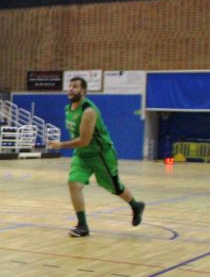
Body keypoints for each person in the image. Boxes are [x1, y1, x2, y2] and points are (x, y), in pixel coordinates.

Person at [49, 77, 146, 237]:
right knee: (74, 184)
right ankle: (82, 225)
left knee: (114, 187)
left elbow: (84, 140)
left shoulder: (89, 111)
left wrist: (62, 145)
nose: (71, 89)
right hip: (82, 155)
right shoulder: (68, 109)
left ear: (83, 91)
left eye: (75, 87)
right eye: (70, 86)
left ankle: (136, 206)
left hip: (101, 154)